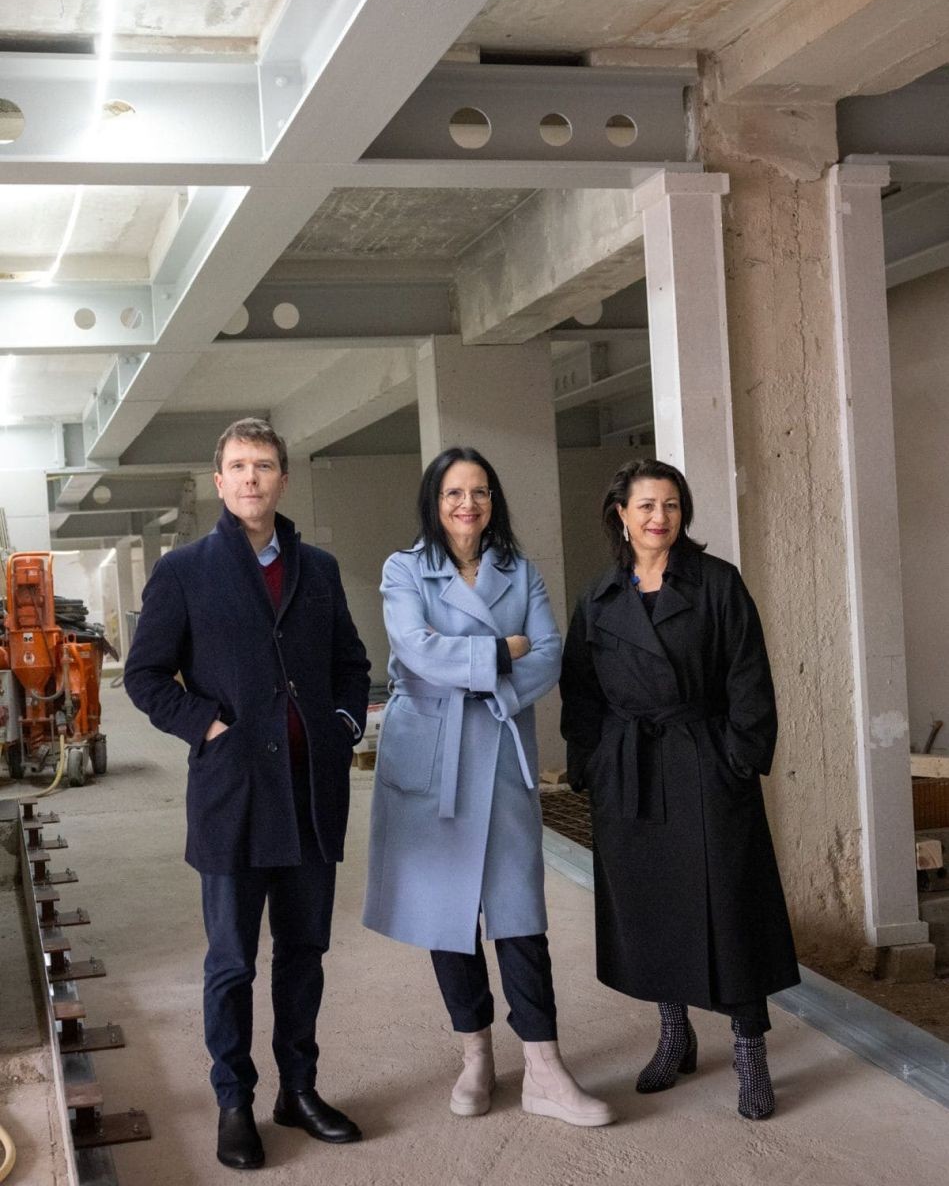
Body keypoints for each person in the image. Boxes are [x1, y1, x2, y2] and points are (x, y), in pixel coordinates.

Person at [125, 417, 370, 1170]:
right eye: (238, 466)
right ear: (219, 480)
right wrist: (208, 729)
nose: (252, 479)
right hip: (234, 797)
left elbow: (352, 663)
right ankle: (234, 1100)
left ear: (283, 478)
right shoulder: (185, 571)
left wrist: (339, 725)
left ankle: (297, 1091)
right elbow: (143, 676)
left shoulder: (319, 568)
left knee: (304, 953)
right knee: (232, 962)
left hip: (308, 796)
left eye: (265, 465)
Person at [363, 447, 614, 1128]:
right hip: (432, 753)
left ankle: (543, 1068)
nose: (465, 504)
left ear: (492, 502)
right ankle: (474, 1055)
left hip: (499, 745)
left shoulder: (517, 571)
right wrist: (500, 651)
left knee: (518, 913)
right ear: (433, 502)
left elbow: (551, 652)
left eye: (478, 492)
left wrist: (483, 677)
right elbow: (414, 649)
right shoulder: (404, 569)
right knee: (446, 916)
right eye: (452, 493)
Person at [559, 458, 799, 1121]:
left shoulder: (717, 583)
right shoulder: (600, 594)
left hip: (703, 762)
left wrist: (735, 757)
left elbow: (749, 674)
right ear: (620, 514)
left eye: (669, 505)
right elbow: (578, 686)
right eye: (644, 506)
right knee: (651, 905)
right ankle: (674, 1035)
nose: (658, 517)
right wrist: (592, 761)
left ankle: (749, 1051)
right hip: (629, 770)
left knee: (730, 903)